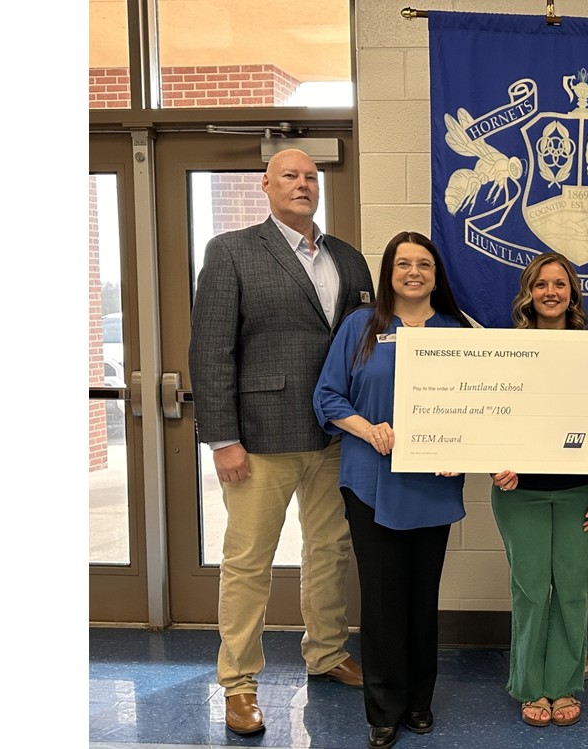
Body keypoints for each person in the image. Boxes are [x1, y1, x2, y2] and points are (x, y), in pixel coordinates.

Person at [188, 148, 373, 736]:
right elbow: (211, 351)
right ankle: (239, 682)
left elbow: (368, 345)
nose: (303, 184)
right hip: (259, 439)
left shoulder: (348, 258)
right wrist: (222, 438)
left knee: (330, 551)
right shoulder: (232, 252)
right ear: (265, 185)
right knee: (249, 562)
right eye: (290, 176)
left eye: (311, 177)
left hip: (335, 436)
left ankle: (327, 651)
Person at [313, 231, 473, 749]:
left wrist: (460, 449)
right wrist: (368, 429)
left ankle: (420, 702)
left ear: (436, 274)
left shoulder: (457, 331)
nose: (413, 273)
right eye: (403, 264)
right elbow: (328, 396)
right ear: (389, 272)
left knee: (422, 601)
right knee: (383, 601)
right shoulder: (361, 326)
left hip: (433, 485)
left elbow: (477, 407)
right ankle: (384, 709)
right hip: (371, 481)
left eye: (423, 264)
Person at [488, 252, 588, 728]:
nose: (550, 292)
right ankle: (529, 686)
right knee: (529, 589)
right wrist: (494, 465)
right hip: (518, 493)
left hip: (581, 491)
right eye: (541, 284)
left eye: (559, 284)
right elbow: (487, 416)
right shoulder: (505, 351)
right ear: (529, 293)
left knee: (571, 589)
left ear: (572, 294)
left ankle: (563, 685)